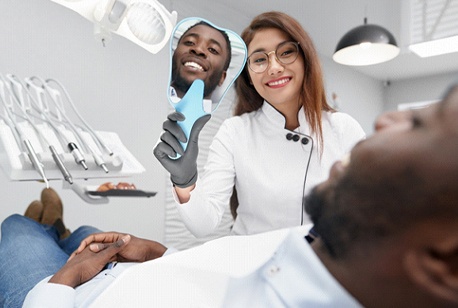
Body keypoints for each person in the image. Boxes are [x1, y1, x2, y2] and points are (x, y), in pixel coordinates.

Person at [5, 82, 456, 307]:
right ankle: (60, 229)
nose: (384, 122)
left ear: (443, 262)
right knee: (89, 233)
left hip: (69, 295)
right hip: (140, 270)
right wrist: (163, 255)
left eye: (420, 124)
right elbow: (217, 255)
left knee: (18, 228)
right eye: (258, 58)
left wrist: (67, 281)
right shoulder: (327, 242)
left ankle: (46, 227)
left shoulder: (335, 134)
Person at [154, 11, 366, 237]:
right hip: (251, 263)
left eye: (286, 53)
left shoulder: (343, 128)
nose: (274, 67)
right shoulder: (234, 131)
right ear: (249, 76)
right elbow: (203, 225)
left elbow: (368, 208)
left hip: (321, 265)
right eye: (259, 59)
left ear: (306, 59)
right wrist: (185, 181)